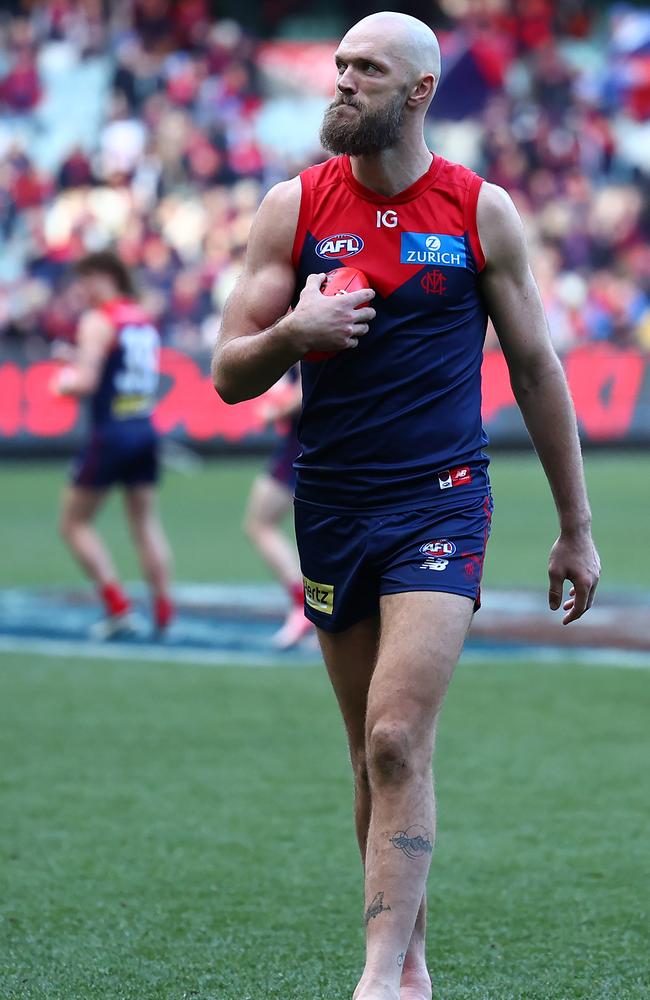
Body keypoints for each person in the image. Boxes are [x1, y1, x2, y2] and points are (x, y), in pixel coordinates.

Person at [211, 12, 601, 1000]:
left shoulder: (479, 209)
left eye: (365, 69)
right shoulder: (290, 206)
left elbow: (535, 369)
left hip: (440, 504)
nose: (341, 82)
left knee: (395, 737)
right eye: (337, 64)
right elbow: (224, 373)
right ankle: (411, 959)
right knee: (365, 753)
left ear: (418, 90)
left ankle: (378, 977)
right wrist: (295, 330)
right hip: (331, 503)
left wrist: (574, 527)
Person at [51, 250, 173, 639]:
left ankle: (118, 608)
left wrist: (63, 380)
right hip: (143, 427)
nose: (81, 290)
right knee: (145, 523)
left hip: (111, 433)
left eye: (86, 280)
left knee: (73, 523)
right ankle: (163, 608)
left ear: (106, 277)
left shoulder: (98, 320)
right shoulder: (139, 318)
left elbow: (85, 382)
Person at [243, 366, 314, 649]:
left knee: (260, 523)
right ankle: (311, 608)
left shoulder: (303, 321)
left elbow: (309, 383)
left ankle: (305, 607)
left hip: (305, 440)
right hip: (318, 438)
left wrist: (275, 412)